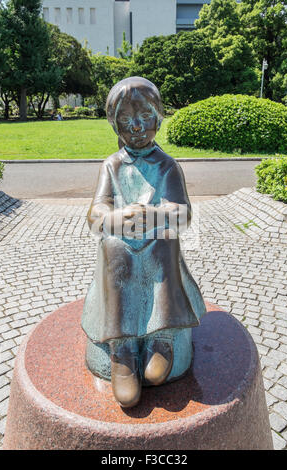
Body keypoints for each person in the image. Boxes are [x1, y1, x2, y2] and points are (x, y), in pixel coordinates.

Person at [82, 77, 206, 408]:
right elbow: (95, 212)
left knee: (166, 243)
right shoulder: (111, 165)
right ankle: (121, 347)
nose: (136, 127)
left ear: (158, 118)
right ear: (114, 124)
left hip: (156, 240)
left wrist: (155, 216)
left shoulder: (167, 166)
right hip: (122, 244)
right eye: (125, 120)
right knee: (114, 249)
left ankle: (161, 337)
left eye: (145, 117)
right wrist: (113, 219)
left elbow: (183, 213)